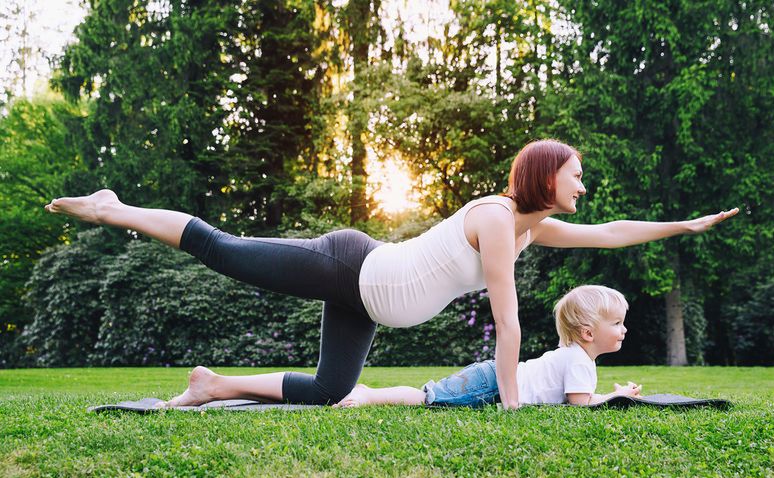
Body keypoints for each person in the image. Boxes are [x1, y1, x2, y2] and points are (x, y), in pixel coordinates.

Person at [44, 139, 737, 409]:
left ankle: (211, 385)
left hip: (367, 300)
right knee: (225, 250)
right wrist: (512, 404)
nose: (582, 188)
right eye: (576, 176)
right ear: (545, 175)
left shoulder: (532, 226)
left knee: (330, 388)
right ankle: (116, 209)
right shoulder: (499, 219)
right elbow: (508, 321)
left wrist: (684, 225)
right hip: (349, 265)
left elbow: (610, 234)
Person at [331, 285, 640, 409]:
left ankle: (368, 393)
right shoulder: (579, 361)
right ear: (588, 332)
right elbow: (580, 404)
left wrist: (615, 393)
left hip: (493, 378)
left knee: (431, 396)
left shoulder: (575, 356)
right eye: (615, 323)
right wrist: (617, 396)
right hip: (492, 385)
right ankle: (368, 394)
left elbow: (581, 397)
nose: (623, 329)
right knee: (428, 398)